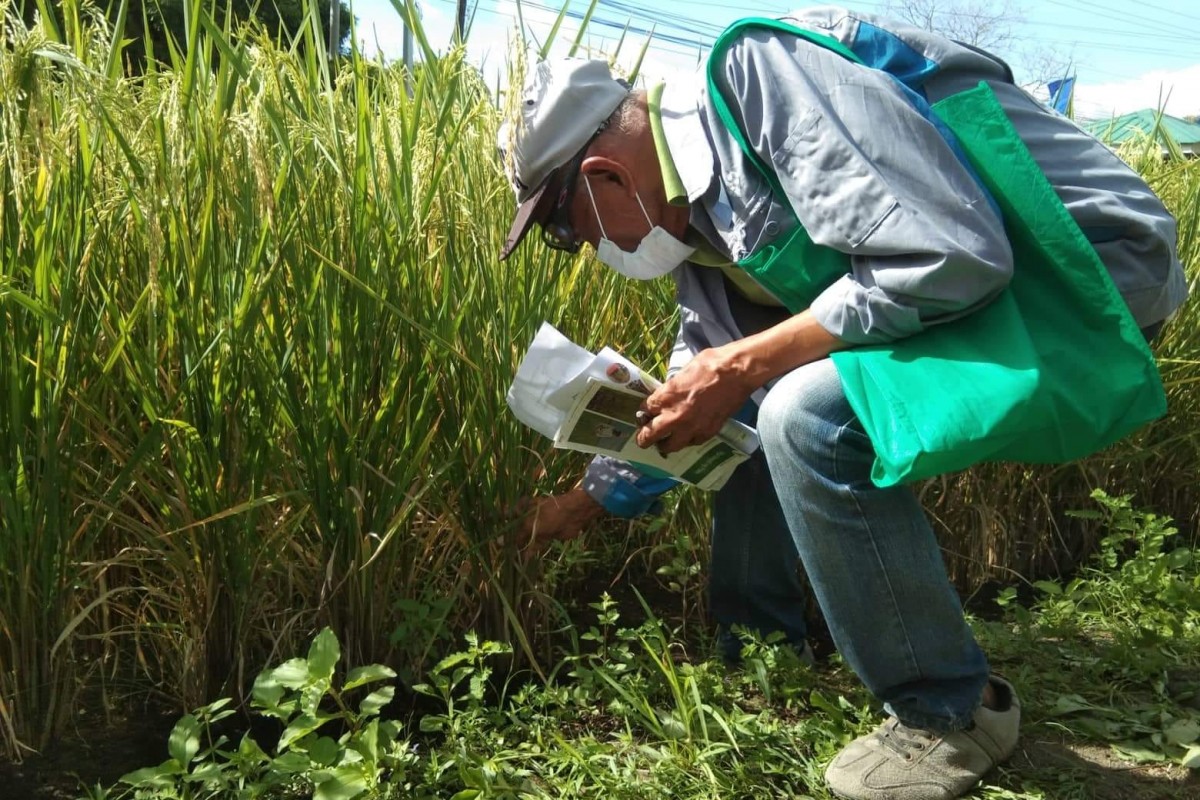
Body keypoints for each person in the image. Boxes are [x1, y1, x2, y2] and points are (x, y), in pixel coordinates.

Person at [496, 7, 1188, 800]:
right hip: (995, 289)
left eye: (563, 230)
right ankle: (760, 651)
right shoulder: (698, 234)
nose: (588, 249)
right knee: (746, 415)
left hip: (1080, 267)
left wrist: (747, 363)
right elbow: (706, 388)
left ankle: (951, 714)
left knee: (804, 415)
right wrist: (586, 499)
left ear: (602, 177)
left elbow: (951, 255)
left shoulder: (759, 72)